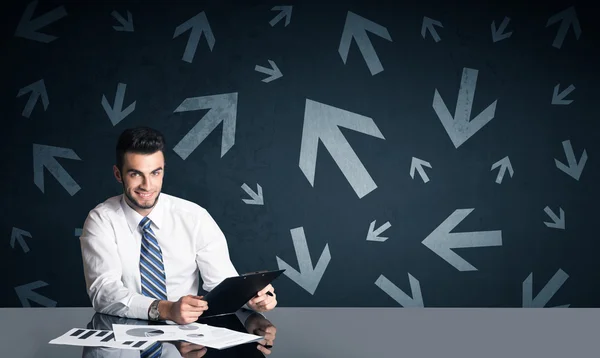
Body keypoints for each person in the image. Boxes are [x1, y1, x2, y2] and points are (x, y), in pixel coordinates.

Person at [79, 126, 277, 325]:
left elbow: (222, 284)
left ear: (163, 169)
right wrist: (166, 309)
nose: (147, 185)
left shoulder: (194, 217)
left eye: (155, 173)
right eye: (135, 174)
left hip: (185, 342)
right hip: (123, 336)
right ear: (118, 174)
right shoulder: (101, 220)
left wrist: (251, 299)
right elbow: (104, 292)